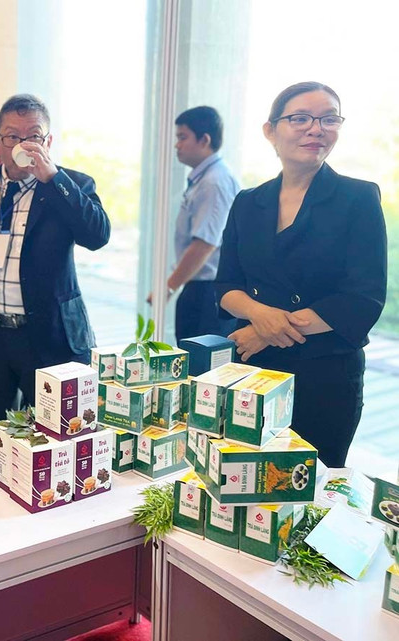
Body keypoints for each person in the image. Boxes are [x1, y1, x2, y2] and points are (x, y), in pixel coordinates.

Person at [216, 81, 387, 468]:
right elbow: (226, 285)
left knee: (310, 489)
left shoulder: (358, 198)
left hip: (323, 376)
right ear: (270, 130)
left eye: (329, 119)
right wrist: (260, 316)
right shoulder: (248, 202)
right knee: (243, 481)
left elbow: (362, 299)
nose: (316, 129)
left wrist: (266, 331)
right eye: (300, 118)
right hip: (254, 371)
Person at [0, 94, 111, 419]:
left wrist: (54, 179)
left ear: (48, 142)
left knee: (54, 427)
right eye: (13, 136)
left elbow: (97, 236)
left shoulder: (70, 184)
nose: (23, 144)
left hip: (46, 334)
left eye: (33, 136)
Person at [163, 106, 240, 342]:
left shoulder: (214, 182)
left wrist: (168, 287)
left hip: (208, 293)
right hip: (199, 288)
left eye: (182, 137)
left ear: (204, 140)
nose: (177, 145)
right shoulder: (206, 178)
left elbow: (204, 245)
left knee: (202, 361)